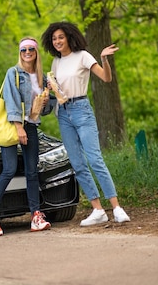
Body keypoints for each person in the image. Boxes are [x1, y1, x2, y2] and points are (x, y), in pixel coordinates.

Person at [41, 21, 131, 226]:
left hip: (81, 110)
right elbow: (58, 92)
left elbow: (106, 78)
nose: (57, 41)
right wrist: (49, 92)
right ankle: (97, 210)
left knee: (95, 159)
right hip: (63, 114)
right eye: (54, 39)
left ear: (69, 37)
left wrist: (104, 60)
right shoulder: (55, 63)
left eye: (61, 37)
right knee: (77, 164)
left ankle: (116, 207)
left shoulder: (83, 56)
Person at [0, 37, 55, 237]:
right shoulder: (13, 73)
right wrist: (18, 127)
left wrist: (47, 100)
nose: (27, 52)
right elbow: (11, 101)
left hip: (31, 127)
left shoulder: (43, 78)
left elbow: (46, 110)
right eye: (24, 50)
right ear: (20, 52)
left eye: (31, 49)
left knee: (32, 172)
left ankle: (36, 217)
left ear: (36, 52)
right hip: (13, 127)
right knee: (10, 169)